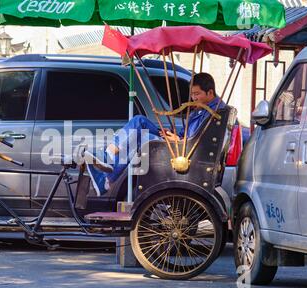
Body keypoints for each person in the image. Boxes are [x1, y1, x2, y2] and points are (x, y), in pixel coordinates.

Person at [84, 72, 226, 196]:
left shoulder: (214, 113)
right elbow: (187, 131)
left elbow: (201, 140)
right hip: (180, 142)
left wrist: (178, 139)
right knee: (139, 121)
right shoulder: (201, 108)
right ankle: (108, 156)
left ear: (210, 93)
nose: (193, 98)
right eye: (192, 94)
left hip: (184, 150)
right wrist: (172, 133)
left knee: (140, 137)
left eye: (197, 94)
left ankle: (107, 177)